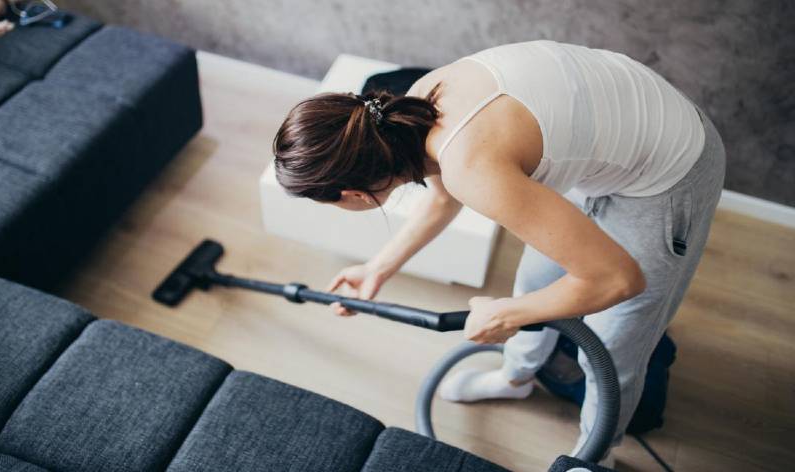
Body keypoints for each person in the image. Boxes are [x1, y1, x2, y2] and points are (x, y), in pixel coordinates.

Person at [272, 39, 726, 463]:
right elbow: (443, 196)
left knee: (610, 348)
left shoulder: (472, 166)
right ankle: (516, 379)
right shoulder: (404, 113)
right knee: (536, 283)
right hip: (611, 149)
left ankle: (597, 457)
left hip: (670, 172)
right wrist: (378, 267)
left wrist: (507, 315)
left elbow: (618, 279)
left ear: (351, 193)